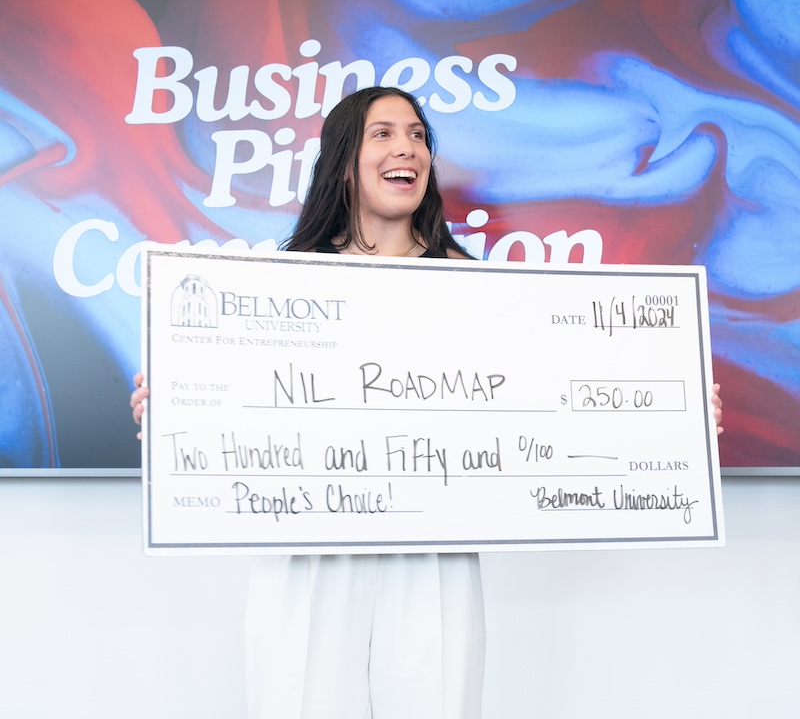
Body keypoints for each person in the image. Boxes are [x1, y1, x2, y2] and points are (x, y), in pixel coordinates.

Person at [130, 86, 724, 719]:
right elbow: (226, 409)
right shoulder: (275, 289)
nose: (406, 147)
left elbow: (562, 404)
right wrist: (173, 408)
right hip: (308, 540)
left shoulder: (481, 290)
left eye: (417, 135)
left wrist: (673, 415)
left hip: (435, 549)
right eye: (383, 133)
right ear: (343, 158)